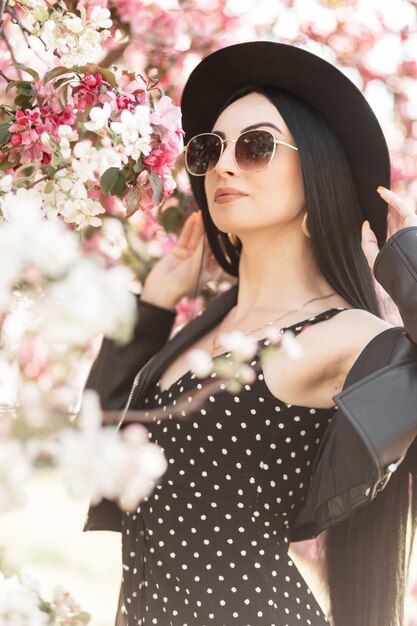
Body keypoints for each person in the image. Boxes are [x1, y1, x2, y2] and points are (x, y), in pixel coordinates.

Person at [84, 42, 417, 626]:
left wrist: (408, 266)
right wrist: (154, 309)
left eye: (256, 147)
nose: (223, 166)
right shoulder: (195, 335)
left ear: (317, 170)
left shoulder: (350, 337)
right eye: (209, 149)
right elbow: (95, 454)